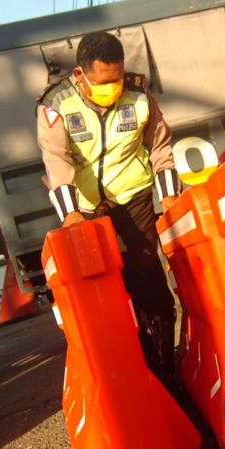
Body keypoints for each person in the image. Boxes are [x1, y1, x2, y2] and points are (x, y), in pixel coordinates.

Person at [36, 31, 183, 383]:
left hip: (134, 197)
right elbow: (56, 162)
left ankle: (164, 368)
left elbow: (160, 148)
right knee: (103, 294)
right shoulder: (56, 106)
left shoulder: (139, 95)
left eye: (116, 80)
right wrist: (71, 214)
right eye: (103, 83)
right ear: (79, 75)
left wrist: (169, 198)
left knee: (148, 279)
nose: (112, 90)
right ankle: (126, 371)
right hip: (85, 209)